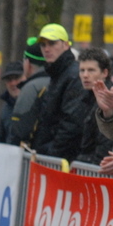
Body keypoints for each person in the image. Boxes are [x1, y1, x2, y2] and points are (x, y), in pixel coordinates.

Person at [29, 23, 87, 162]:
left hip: (62, 160)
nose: (47, 48)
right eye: (43, 45)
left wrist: (50, 153)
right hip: (52, 156)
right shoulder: (57, 73)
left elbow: (72, 123)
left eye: (52, 43)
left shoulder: (73, 75)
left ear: (66, 45)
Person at [75, 48, 113, 165]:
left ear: (104, 73)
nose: (85, 75)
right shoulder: (83, 97)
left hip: (94, 169)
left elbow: (106, 143)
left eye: (91, 70)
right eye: (82, 70)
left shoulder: (110, 100)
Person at [9, 37, 49, 146]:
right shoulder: (58, 82)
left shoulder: (31, 88)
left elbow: (20, 129)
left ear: (27, 63)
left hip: (35, 153)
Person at [0, 60, 24, 143]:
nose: (13, 83)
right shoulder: (5, 110)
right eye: (9, 80)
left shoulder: (36, 103)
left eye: (17, 77)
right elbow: (2, 139)